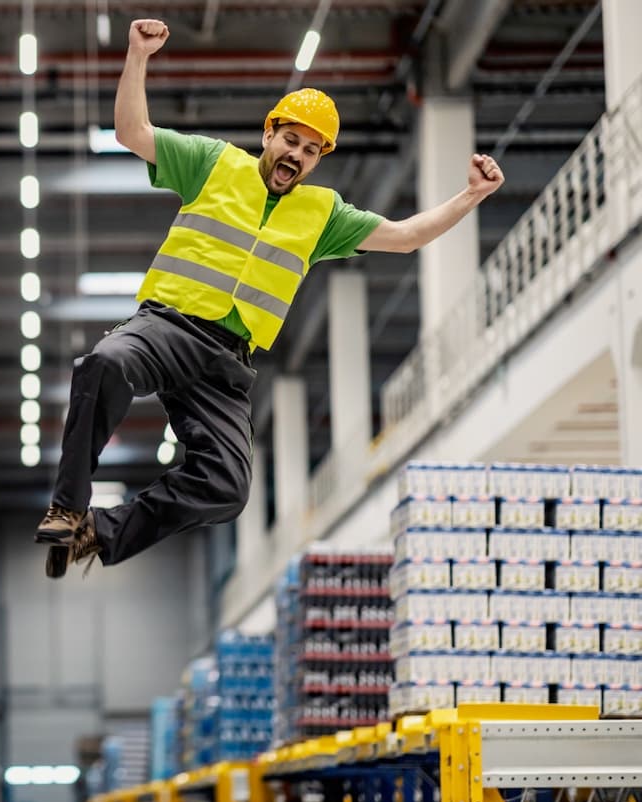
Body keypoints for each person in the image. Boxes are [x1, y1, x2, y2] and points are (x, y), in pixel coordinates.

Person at [35, 18, 505, 578]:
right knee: (105, 364)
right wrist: (138, 55)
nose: (296, 155)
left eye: (310, 150)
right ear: (269, 134)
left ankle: (98, 535)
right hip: (167, 327)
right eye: (290, 140)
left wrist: (471, 195)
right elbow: (132, 131)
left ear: (318, 160)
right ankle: (69, 507)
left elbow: (405, 237)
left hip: (227, 361)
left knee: (227, 487)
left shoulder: (322, 213)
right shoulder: (214, 164)